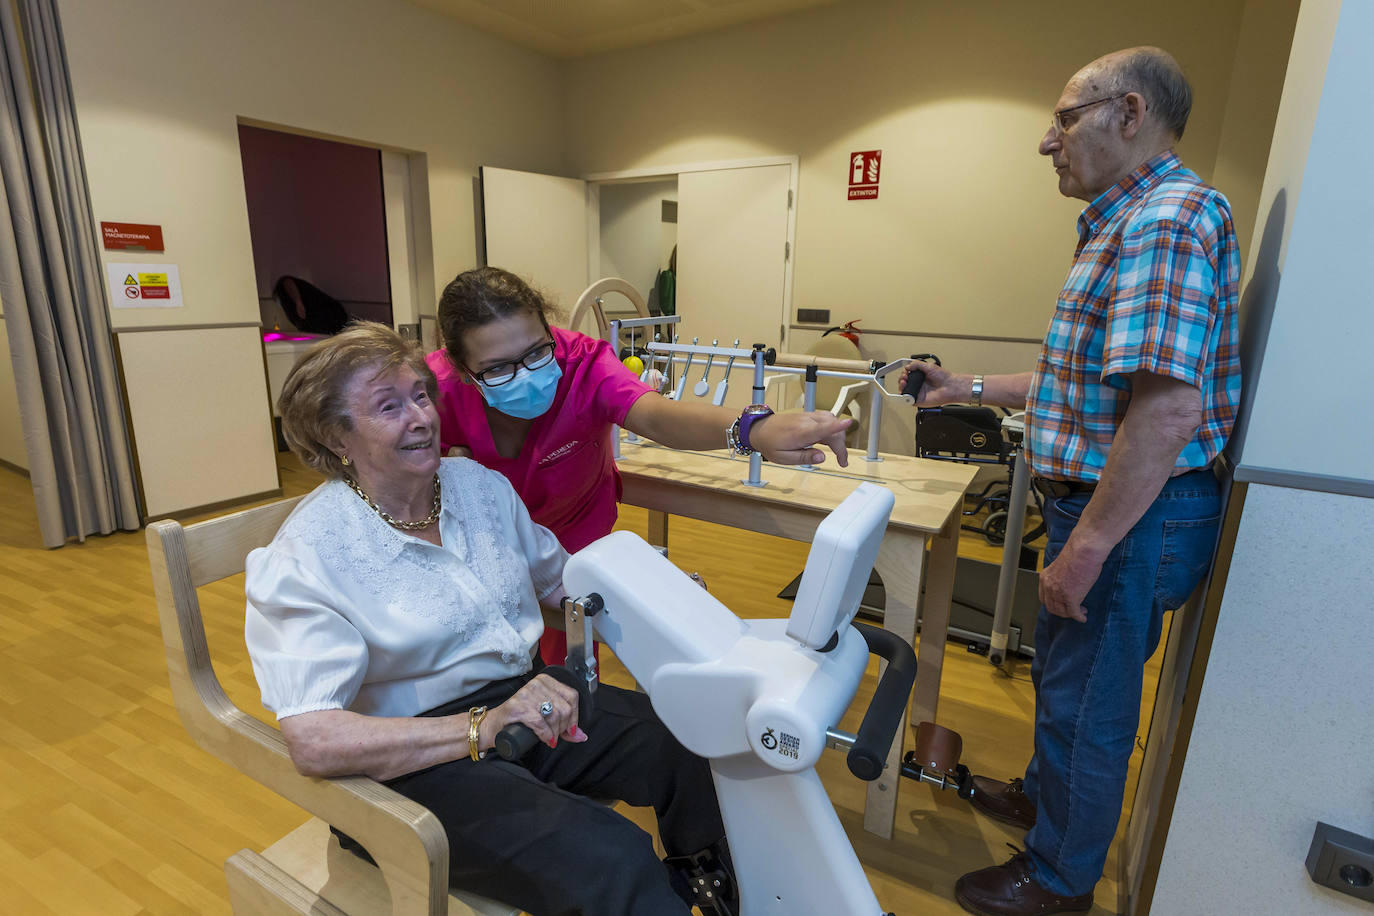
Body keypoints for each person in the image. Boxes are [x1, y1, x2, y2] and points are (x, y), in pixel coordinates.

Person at [902, 47, 1240, 916]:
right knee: (1064, 682)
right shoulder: (1123, 222)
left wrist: (1087, 547)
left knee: (1086, 704)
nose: (1046, 143)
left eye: (1063, 119)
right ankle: (1048, 810)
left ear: (1128, 114)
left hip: (1130, 514)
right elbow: (1075, 379)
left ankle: (1058, 882)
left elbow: (1164, 411)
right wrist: (963, 387)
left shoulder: (1163, 221)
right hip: (1111, 506)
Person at [245, 322, 732, 915]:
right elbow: (315, 742)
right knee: (609, 855)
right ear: (336, 436)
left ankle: (711, 891)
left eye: (421, 396)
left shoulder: (476, 487)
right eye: (389, 407)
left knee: (686, 740)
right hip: (406, 767)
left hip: (522, 706)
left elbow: (559, 584)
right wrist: (482, 726)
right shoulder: (310, 554)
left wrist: (660, 598)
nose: (420, 418)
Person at [426, 266, 853, 665]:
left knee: (565, 667)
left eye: (537, 352)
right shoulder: (431, 393)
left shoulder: (583, 364)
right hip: (487, 549)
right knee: (490, 663)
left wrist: (753, 430)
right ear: (462, 369)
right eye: (497, 368)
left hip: (576, 541)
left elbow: (652, 414)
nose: (524, 373)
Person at [273, 274, 350, 335]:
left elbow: (287, 282)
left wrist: (298, 302)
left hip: (330, 315)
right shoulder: (294, 309)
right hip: (331, 317)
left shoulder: (283, 287)